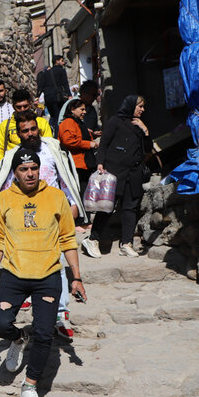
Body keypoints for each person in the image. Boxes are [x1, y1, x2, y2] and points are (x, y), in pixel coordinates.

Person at [0, 148, 87, 397]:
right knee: (1, 324)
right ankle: (19, 339)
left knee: (44, 334)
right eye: (23, 169)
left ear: (39, 169)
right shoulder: (5, 198)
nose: (29, 173)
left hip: (48, 276)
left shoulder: (56, 197)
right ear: (15, 173)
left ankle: (29, 388)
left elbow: (67, 238)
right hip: (14, 275)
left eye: (33, 168)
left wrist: (76, 277)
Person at [80, 95, 153, 259]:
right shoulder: (115, 121)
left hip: (133, 173)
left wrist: (145, 131)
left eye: (143, 106)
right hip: (115, 171)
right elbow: (104, 143)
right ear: (131, 106)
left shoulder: (139, 125)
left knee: (130, 208)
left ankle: (126, 244)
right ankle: (93, 239)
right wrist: (100, 163)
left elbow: (148, 148)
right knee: (106, 206)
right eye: (139, 106)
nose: (142, 109)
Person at [0, 89, 53, 164]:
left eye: (25, 106)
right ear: (13, 107)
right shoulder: (5, 125)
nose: (22, 110)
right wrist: (2, 166)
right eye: (19, 107)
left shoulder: (42, 122)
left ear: (30, 105)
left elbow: (50, 144)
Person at [58, 98, 99, 199]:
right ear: (72, 109)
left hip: (83, 165)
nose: (84, 112)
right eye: (82, 109)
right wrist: (89, 144)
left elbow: (79, 136)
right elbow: (69, 141)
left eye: (85, 110)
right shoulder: (68, 122)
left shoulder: (78, 123)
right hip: (76, 165)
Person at [38, 55, 71, 132]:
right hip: (57, 97)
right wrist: (69, 95)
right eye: (62, 61)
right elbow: (65, 84)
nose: (63, 63)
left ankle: (51, 131)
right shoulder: (61, 71)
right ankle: (57, 137)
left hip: (48, 97)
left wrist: (37, 97)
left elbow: (41, 86)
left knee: (52, 116)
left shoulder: (46, 73)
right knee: (58, 117)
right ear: (57, 61)